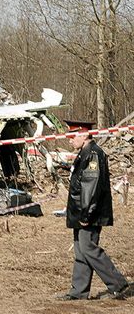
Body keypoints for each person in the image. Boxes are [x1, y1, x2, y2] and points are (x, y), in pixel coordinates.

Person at [56, 120, 130, 301]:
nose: (69, 141)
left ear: (84, 135)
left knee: (88, 248)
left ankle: (118, 284)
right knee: (81, 251)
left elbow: (91, 187)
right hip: (80, 211)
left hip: (88, 213)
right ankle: (78, 292)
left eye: (72, 136)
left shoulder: (93, 155)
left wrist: (85, 214)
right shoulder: (85, 153)